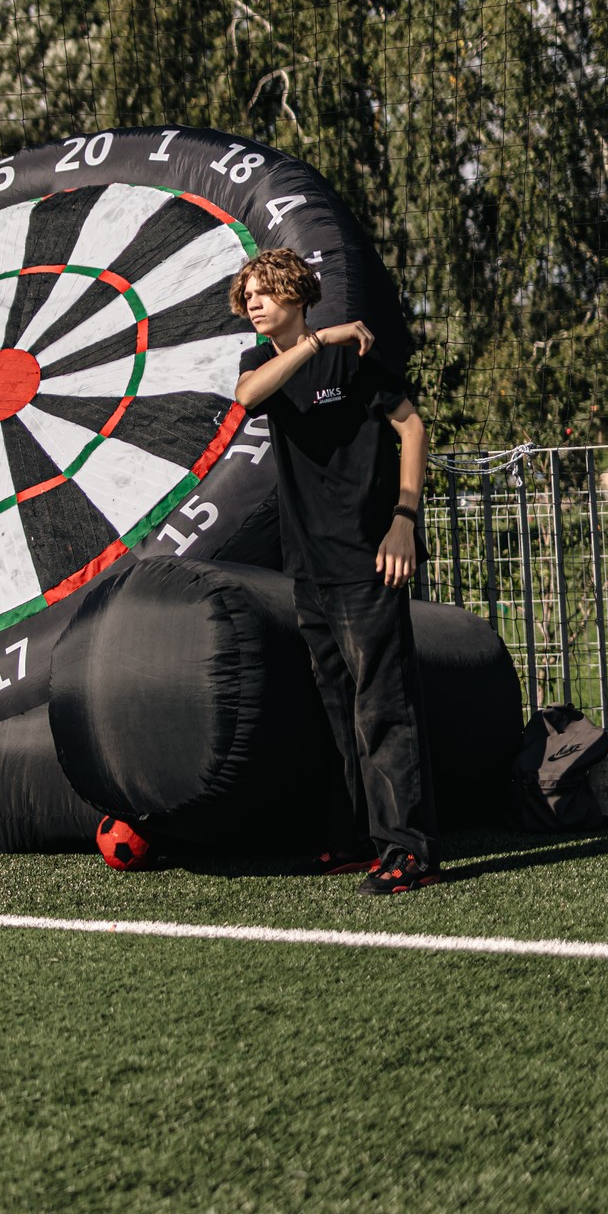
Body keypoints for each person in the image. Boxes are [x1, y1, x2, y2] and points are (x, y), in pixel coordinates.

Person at [231, 248, 440, 894]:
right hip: (307, 567)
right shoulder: (261, 363)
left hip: (367, 556)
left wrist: (403, 519)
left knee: (383, 706)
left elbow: (411, 428)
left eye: (263, 291)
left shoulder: (350, 360)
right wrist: (318, 337)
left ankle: (407, 849)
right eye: (246, 296)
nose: (253, 303)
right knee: (335, 709)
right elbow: (246, 398)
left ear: (295, 290)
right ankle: (352, 839)